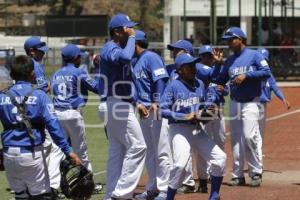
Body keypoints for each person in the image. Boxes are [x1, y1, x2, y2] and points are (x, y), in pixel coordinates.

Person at [0, 55, 81, 200]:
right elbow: (54, 127)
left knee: (21, 196)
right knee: (42, 196)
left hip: (9, 156)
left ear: (11, 75)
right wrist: (67, 151)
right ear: (32, 74)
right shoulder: (40, 95)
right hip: (31, 154)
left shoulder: (2, 96)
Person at [160, 53, 226, 200]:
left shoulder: (199, 84)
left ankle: (214, 195)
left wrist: (210, 112)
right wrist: (184, 116)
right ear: (180, 69)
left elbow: (202, 110)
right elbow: (162, 110)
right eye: (188, 66)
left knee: (220, 158)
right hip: (179, 130)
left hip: (196, 130)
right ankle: (169, 197)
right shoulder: (173, 86)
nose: (193, 68)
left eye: (193, 64)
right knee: (180, 164)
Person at [98, 14, 147, 200]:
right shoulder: (110, 48)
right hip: (116, 104)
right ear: (117, 31)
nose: (131, 31)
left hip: (121, 103)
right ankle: (121, 194)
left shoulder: (118, 47)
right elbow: (126, 57)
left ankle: (111, 195)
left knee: (117, 151)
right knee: (138, 146)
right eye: (128, 28)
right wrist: (133, 38)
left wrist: (136, 102)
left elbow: (127, 81)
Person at [214, 27, 271, 187]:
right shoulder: (230, 61)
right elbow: (220, 80)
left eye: (231, 39)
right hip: (234, 102)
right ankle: (238, 175)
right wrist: (218, 65)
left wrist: (247, 75)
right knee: (235, 139)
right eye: (227, 40)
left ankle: (255, 172)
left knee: (249, 136)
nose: (229, 43)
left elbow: (266, 72)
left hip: (252, 102)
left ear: (240, 39)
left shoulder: (254, 55)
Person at [50, 43, 102, 193]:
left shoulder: (56, 73)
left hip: (57, 113)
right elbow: (97, 88)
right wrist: (100, 71)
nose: (81, 59)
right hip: (72, 114)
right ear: (75, 58)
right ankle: (88, 184)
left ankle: (53, 188)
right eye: (80, 56)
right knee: (81, 150)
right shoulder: (78, 72)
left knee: (57, 151)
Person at [24, 36, 66, 197]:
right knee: (55, 147)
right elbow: (42, 89)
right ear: (31, 51)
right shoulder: (35, 66)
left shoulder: (20, 64)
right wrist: (48, 85)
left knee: (33, 149)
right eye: (40, 51)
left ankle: (31, 184)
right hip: (39, 112)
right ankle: (51, 186)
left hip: (25, 113)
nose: (43, 54)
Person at [132, 30, 171, 200]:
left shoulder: (151, 57)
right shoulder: (135, 61)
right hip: (144, 110)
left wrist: (157, 101)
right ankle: (152, 188)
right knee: (150, 151)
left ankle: (164, 190)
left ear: (135, 43)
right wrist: (138, 104)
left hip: (156, 110)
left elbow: (160, 80)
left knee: (162, 150)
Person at [195, 45, 229, 193]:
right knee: (202, 148)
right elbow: (212, 76)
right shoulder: (198, 69)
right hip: (204, 113)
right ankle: (203, 180)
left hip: (218, 111)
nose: (208, 58)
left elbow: (226, 88)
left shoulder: (217, 70)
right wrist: (218, 65)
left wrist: (224, 88)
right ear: (201, 57)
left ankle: (216, 173)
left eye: (210, 56)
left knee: (220, 142)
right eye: (206, 56)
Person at [257, 48, 291, 140]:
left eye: (264, 60)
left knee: (260, 131)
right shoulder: (251, 73)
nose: (262, 62)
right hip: (250, 103)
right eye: (260, 59)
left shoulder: (269, 75)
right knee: (249, 132)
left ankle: (257, 153)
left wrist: (283, 98)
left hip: (261, 105)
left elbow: (275, 88)